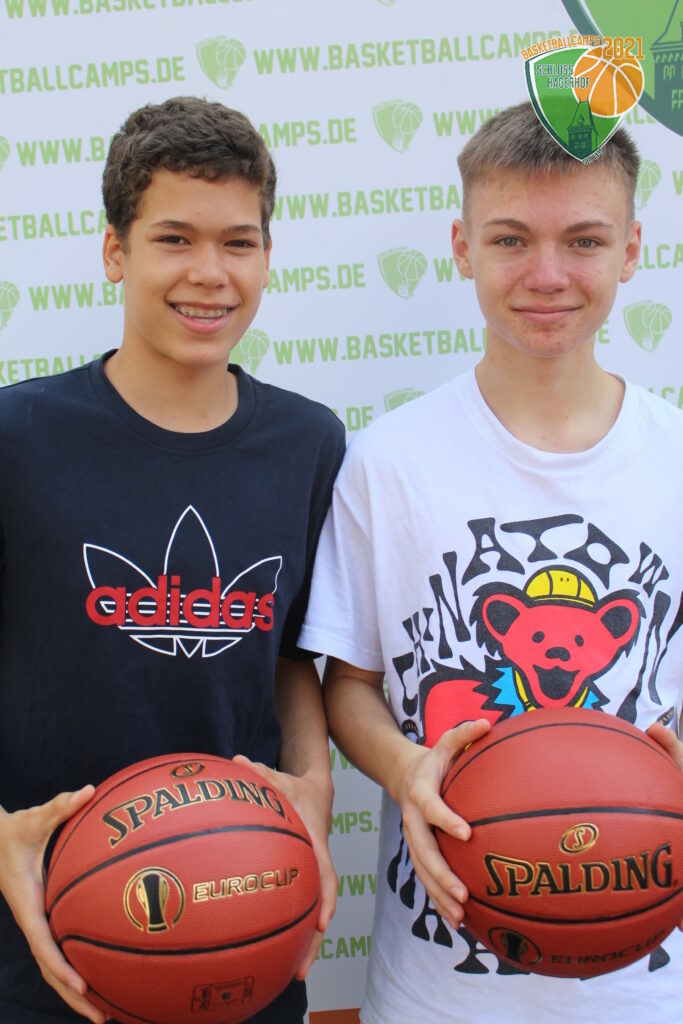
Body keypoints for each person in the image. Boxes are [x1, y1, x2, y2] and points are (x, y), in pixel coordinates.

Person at [299, 101, 683, 1023]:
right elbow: (348, 683)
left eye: (583, 240)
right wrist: (406, 769)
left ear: (631, 251)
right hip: (436, 991)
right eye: (510, 240)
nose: (546, 274)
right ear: (461, 247)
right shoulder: (385, 463)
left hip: (651, 984)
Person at [0, 96, 346, 1024]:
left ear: (267, 255)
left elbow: (292, 659)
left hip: (248, 921)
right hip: (50, 948)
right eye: (174, 239)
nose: (209, 273)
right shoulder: (18, 436)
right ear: (114, 251)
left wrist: (312, 789)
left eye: (238, 242)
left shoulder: (308, 443)